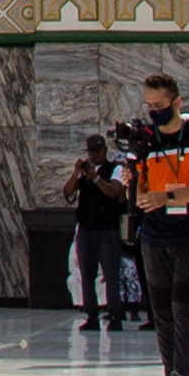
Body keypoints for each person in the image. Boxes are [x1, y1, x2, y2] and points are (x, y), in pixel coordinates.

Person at [122, 75, 189, 376]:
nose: (154, 112)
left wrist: (165, 198)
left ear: (176, 103)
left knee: (186, 308)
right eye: (149, 106)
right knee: (162, 310)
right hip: (154, 235)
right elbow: (139, 196)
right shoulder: (145, 142)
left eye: (160, 106)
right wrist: (132, 181)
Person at [67, 137, 134, 330]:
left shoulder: (115, 169)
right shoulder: (84, 172)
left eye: (96, 151)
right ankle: (92, 316)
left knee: (111, 274)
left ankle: (115, 315)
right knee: (87, 273)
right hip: (87, 228)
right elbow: (68, 192)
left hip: (107, 229)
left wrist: (95, 178)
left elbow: (113, 191)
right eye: (90, 151)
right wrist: (77, 173)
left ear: (104, 150)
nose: (93, 155)